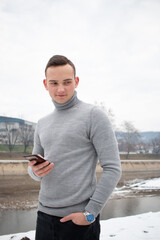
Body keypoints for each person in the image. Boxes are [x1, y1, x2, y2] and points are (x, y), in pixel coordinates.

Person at [28, 55, 121, 240]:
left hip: (79, 221)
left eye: (67, 82)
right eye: (54, 83)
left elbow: (113, 168)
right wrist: (34, 171)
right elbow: (34, 170)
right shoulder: (42, 123)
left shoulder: (94, 115)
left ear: (76, 81)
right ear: (45, 84)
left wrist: (90, 213)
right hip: (43, 217)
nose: (60, 89)